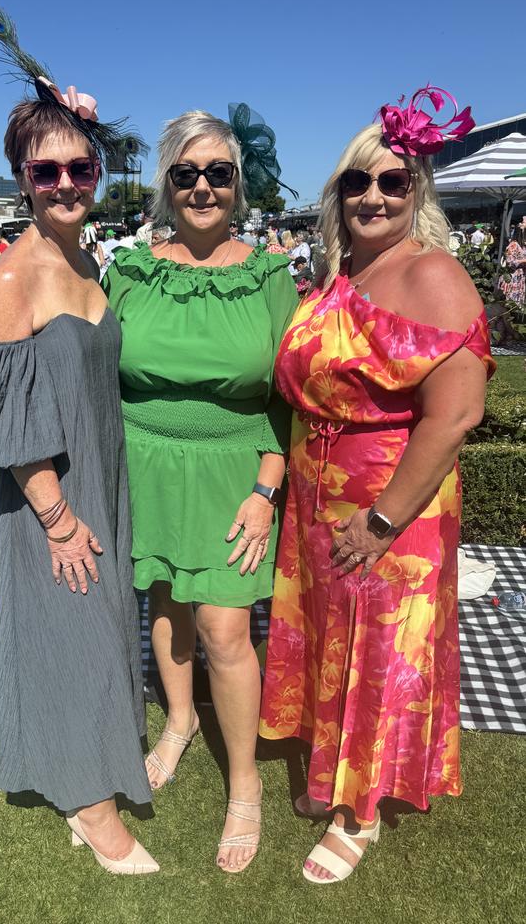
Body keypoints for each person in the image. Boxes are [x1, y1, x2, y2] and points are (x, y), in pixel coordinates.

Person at [260, 85, 494, 884]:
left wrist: (386, 519)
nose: (372, 196)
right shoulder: (340, 274)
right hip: (320, 496)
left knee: (380, 650)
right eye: (356, 182)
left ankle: (359, 815)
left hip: (395, 503)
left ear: (417, 191)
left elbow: (456, 414)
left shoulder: (432, 275)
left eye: (393, 181)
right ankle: (334, 775)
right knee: (336, 643)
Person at [0, 0, 157, 875]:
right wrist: (57, 516)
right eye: (49, 174)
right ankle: (88, 803)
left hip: (99, 473)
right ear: (23, 180)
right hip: (53, 494)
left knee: (102, 626)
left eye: (82, 169)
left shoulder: (87, 259)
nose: (68, 184)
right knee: (71, 632)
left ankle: (99, 764)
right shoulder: (14, 277)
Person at [104, 105, 298, 873]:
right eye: (186, 174)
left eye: (218, 172)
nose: (202, 187)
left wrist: (266, 489)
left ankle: (244, 783)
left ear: (238, 184)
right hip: (145, 464)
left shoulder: (270, 273)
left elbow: (290, 393)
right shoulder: (130, 268)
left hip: (233, 473)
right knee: (165, 603)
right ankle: (180, 721)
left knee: (224, 629)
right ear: (166, 185)